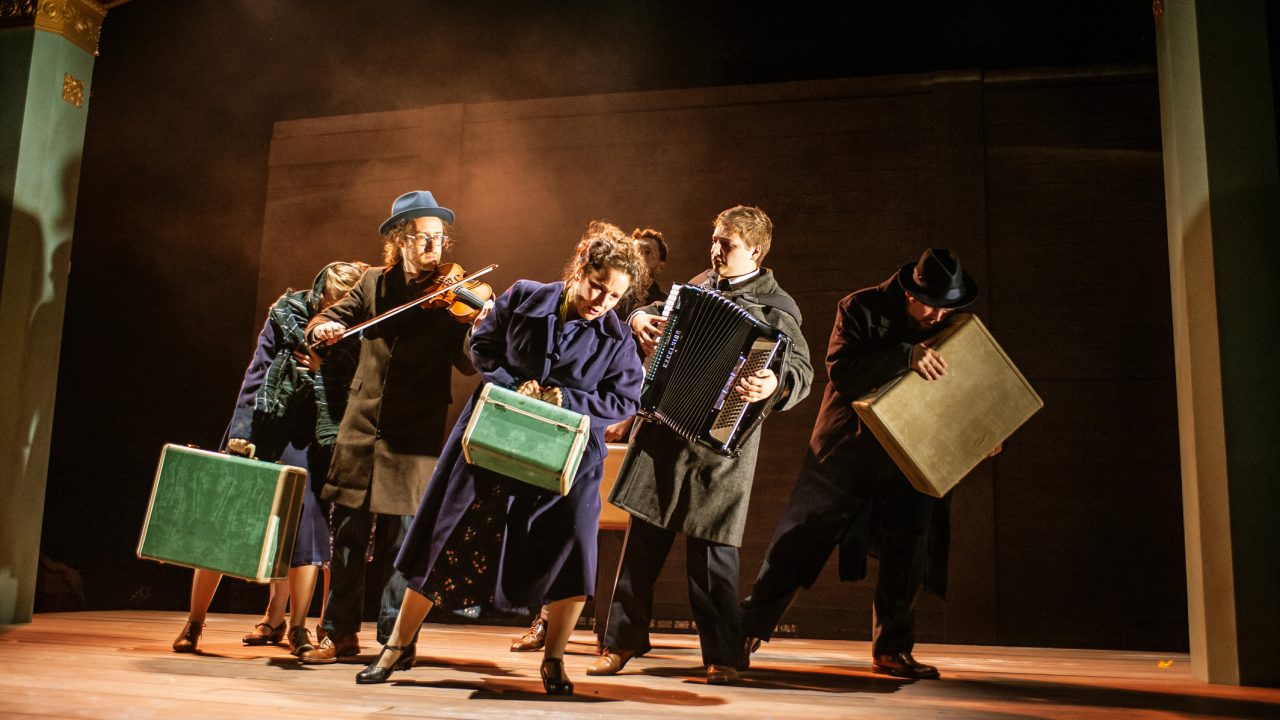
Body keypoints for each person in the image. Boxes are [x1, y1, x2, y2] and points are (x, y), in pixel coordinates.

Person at [355, 221, 646, 696]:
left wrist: (565, 400)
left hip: (567, 454)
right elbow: (482, 344)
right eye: (597, 287)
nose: (603, 302)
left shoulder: (617, 340)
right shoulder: (525, 296)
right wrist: (513, 385)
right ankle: (398, 646)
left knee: (573, 545)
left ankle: (553, 661)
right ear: (580, 269)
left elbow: (624, 401)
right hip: (495, 431)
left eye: (615, 296)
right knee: (443, 533)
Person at [590, 205, 813, 685]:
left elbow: (802, 373)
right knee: (642, 545)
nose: (715, 251)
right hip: (667, 430)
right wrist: (639, 322)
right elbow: (656, 310)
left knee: (714, 555)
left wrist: (773, 384)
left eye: (726, 245)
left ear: (754, 251)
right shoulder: (699, 286)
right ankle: (620, 642)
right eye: (714, 241)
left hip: (721, 446)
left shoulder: (780, 308)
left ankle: (722, 655)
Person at [740, 248, 982, 680]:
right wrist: (905, 356)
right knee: (798, 543)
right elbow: (842, 372)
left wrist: (980, 436)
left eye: (947, 307)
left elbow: (963, 388)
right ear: (909, 292)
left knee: (907, 549)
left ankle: (892, 650)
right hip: (845, 450)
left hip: (911, 451)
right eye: (930, 304)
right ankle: (743, 633)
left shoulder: (948, 324)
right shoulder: (859, 306)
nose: (937, 315)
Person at [301, 190, 478, 663]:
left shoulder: (451, 295)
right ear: (399, 240)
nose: (432, 248)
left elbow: (467, 361)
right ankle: (337, 633)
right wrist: (321, 329)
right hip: (363, 425)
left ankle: (395, 640)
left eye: (439, 239)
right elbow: (328, 318)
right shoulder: (371, 284)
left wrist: (480, 323)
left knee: (404, 542)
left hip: (415, 433)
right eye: (423, 238)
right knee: (349, 541)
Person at [171, 260, 366, 657]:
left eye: (340, 307)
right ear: (318, 293)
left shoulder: (359, 330)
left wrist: (322, 369)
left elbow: (359, 388)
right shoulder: (286, 313)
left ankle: (295, 627)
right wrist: (241, 435)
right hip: (264, 423)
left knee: (306, 526)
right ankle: (194, 622)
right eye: (327, 304)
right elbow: (256, 374)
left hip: (312, 433)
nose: (329, 315)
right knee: (220, 523)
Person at [510, 225, 668, 653]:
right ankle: (542, 619)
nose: (604, 300)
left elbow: (635, 383)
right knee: (541, 525)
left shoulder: (650, 309)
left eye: (650, 254)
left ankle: (594, 633)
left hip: (603, 429)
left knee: (586, 533)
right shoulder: (586, 299)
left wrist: (609, 411)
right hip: (543, 423)